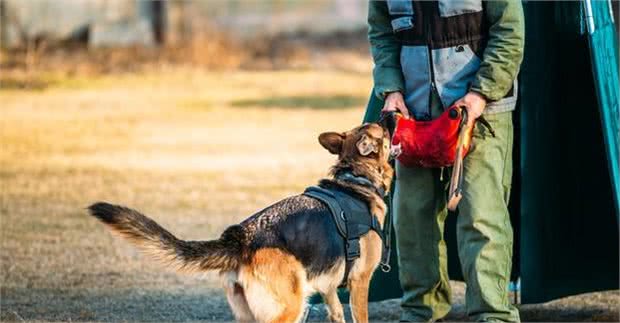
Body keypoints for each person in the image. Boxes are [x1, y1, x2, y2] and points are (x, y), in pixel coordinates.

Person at [367, 0, 524, 322]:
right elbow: (382, 33)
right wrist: (391, 89)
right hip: (412, 112)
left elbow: (509, 32)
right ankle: (421, 310)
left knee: (482, 215)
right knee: (412, 218)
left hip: (480, 112)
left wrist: (482, 93)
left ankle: (492, 314)